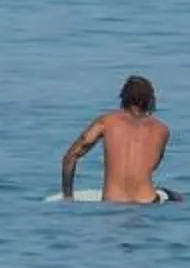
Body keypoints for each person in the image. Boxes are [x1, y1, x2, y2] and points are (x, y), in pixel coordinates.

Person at [61, 74, 177, 203]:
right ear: (149, 100)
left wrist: (68, 197)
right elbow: (153, 165)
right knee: (175, 197)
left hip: (113, 202)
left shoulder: (106, 122)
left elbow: (69, 158)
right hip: (148, 202)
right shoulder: (162, 130)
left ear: (123, 98)